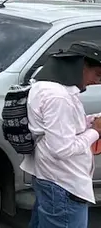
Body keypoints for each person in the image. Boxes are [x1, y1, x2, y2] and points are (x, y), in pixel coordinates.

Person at [21, 41, 101, 228]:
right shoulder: (59, 97)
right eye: (97, 74)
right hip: (64, 184)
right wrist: (95, 131)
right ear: (81, 66)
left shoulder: (46, 87)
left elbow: (56, 127)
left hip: (51, 179)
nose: (97, 81)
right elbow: (61, 149)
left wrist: (90, 121)